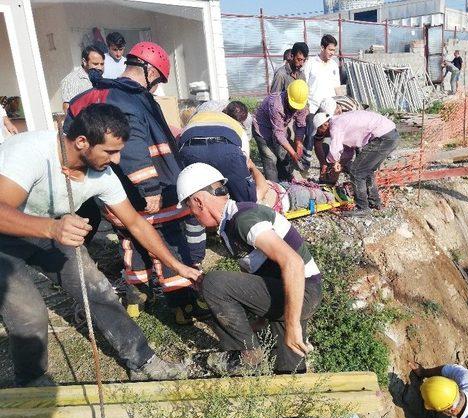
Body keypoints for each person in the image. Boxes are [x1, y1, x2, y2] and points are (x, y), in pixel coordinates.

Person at [0, 104, 197, 386]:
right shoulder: (29, 153)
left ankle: (141, 361)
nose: (117, 160)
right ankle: (30, 381)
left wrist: (175, 265)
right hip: (5, 234)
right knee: (29, 315)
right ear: (82, 142)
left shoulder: (102, 175)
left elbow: (137, 224)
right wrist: (53, 228)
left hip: (48, 226)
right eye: (110, 151)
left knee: (98, 289)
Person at [65, 42, 210, 325]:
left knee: (130, 243)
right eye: (157, 82)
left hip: (110, 191)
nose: (155, 89)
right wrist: (150, 187)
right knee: (169, 241)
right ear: (150, 71)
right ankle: (183, 306)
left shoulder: (89, 96)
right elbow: (131, 147)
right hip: (148, 191)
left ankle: (138, 297)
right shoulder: (127, 99)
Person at [175, 163, 322, 375]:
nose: (193, 216)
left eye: (190, 209)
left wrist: (293, 326)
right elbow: (258, 275)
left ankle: (247, 356)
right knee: (290, 370)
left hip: (301, 289)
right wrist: (260, 320)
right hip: (292, 291)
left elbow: (294, 263)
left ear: (198, 202)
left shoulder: (244, 220)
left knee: (213, 283)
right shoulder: (229, 225)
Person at [314, 110, 399, 217]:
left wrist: (332, 162)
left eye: (319, 129)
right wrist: (340, 162)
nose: (320, 133)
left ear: (325, 124)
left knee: (356, 171)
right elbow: (348, 151)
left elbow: (335, 148)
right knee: (367, 169)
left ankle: (363, 208)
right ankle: (374, 201)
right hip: (391, 135)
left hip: (383, 137)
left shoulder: (335, 125)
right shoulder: (341, 122)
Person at [253, 79, 309, 182]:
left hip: (280, 127)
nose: (295, 108)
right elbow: (278, 133)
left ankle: (286, 180)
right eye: (293, 105)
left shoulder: (301, 103)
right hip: (262, 129)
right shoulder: (276, 105)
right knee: (270, 158)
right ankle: (274, 187)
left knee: (283, 155)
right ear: (287, 95)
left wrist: (298, 143)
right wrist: (294, 154)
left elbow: (301, 125)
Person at [302, 95, 364, 184]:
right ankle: (327, 179)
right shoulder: (321, 115)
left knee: (359, 160)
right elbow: (318, 143)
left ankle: (355, 177)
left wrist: (339, 161)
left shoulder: (350, 111)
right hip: (337, 126)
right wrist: (323, 162)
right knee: (328, 148)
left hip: (358, 127)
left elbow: (350, 140)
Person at [302, 34, 340, 114]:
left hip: (330, 108)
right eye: (330, 50)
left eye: (334, 50)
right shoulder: (310, 63)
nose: (332, 53)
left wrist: (340, 104)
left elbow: (337, 87)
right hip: (313, 107)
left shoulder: (334, 65)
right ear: (322, 48)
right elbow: (303, 85)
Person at [60, 45, 105, 113]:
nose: (99, 68)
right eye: (95, 64)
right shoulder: (71, 80)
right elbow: (68, 108)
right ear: (84, 62)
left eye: (102, 64)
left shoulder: (99, 77)